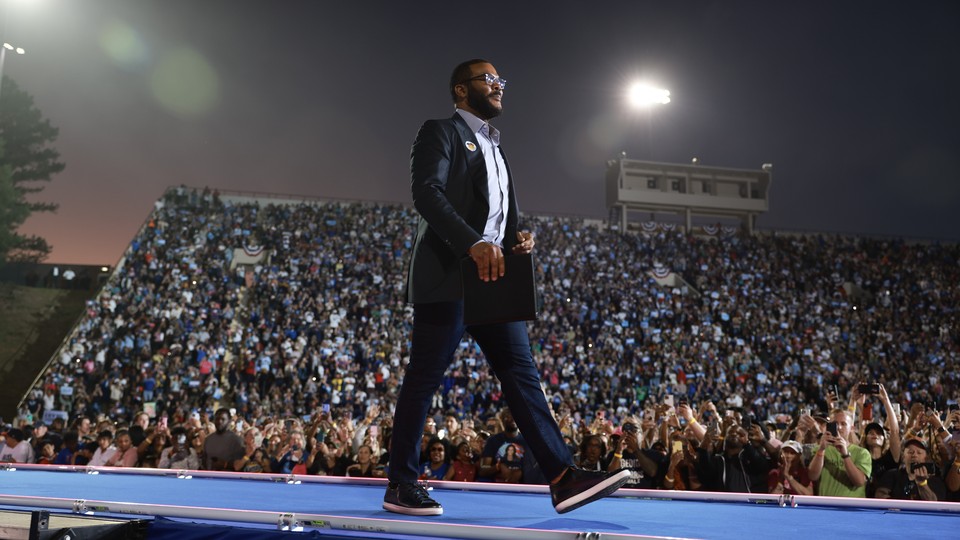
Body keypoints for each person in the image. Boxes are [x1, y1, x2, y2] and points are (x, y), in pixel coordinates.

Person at [384, 58, 629, 517]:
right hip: (452, 274)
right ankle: (401, 483)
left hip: (494, 278)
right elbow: (427, 193)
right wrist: (473, 243)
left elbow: (497, 215)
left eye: (501, 80)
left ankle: (563, 477)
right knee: (424, 379)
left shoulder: (497, 148)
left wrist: (515, 238)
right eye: (488, 79)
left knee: (521, 372)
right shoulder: (441, 131)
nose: (499, 86)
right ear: (461, 90)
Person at [808, 409, 871, 497]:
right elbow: (812, 476)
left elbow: (859, 482)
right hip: (826, 503)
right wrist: (821, 449)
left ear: (852, 428)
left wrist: (845, 455)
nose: (839, 427)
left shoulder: (862, 453)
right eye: (835, 424)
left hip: (851, 504)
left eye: (843, 424)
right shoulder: (819, 449)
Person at [874, 438, 946, 501]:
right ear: (903, 457)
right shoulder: (892, 475)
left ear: (926, 458)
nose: (914, 455)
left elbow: (933, 504)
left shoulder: (935, 481)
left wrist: (922, 483)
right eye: (910, 452)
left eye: (919, 453)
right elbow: (880, 495)